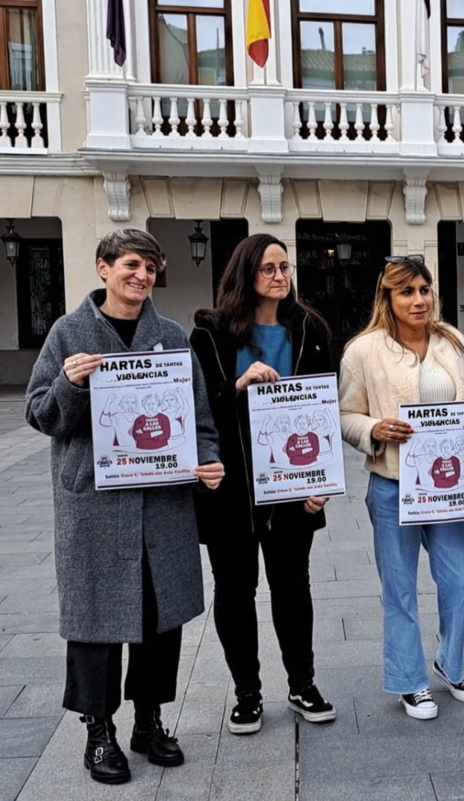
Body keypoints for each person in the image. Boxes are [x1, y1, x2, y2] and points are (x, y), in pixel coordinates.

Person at [25, 229, 224, 784]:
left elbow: (200, 419)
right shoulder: (69, 334)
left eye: (151, 267)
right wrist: (68, 383)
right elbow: (39, 414)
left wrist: (207, 461)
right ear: (104, 268)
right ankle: (98, 731)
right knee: (96, 622)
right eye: (132, 265)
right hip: (93, 504)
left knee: (160, 618)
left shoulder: (171, 337)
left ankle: (149, 721)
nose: (142, 276)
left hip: (162, 503)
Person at [190, 234, 336, 734]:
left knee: (293, 588)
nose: (281, 276)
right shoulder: (210, 334)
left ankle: (302, 684)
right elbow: (198, 411)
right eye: (269, 268)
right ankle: (247, 692)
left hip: (293, 484)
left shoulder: (310, 328)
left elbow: (323, 410)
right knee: (235, 591)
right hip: (230, 488)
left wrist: (323, 482)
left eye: (285, 267)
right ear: (245, 273)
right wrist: (237, 386)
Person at [339, 256, 464, 721]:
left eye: (424, 290)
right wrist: (375, 428)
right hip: (393, 485)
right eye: (407, 292)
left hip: (446, 486)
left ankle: (451, 663)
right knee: (399, 589)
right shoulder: (364, 350)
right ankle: (409, 681)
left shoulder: (454, 342)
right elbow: (344, 415)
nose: (418, 300)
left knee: (459, 581)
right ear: (388, 297)